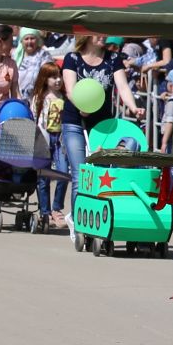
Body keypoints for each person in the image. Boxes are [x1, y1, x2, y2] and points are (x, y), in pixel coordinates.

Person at [59, 33, 140, 195]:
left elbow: (123, 87)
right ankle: (77, 219)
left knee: (102, 172)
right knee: (80, 174)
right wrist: (82, 107)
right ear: (86, 36)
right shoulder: (72, 58)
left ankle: (97, 215)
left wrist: (134, 107)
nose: (103, 36)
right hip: (75, 121)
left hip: (103, 125)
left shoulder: (113, 58)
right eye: (97, 33)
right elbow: (70, 90)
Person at [29, 61, 68, 233]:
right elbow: (34, 119)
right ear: (45, 79)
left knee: (63, 172)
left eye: (59, 76)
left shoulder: (65, 97)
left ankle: (56, 208)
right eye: (53, 77)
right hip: (44, 138)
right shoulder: (39, 98)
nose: (58, 80)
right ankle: (45, 211)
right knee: (43, 176)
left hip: (60, 139)